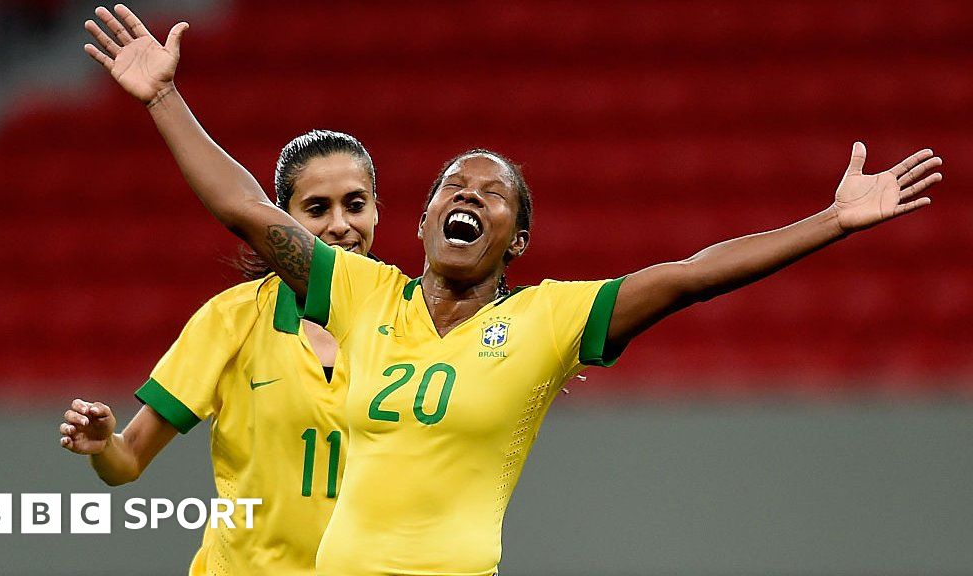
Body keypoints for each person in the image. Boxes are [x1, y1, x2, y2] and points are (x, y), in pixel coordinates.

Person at [81, 5, 944, 576]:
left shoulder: (548, 320)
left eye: (492, 193)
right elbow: (245, 207)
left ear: (517, 239)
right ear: (417, 225)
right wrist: (163, 96)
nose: (468, 196)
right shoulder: (362, 295)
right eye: (451, 187)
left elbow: (688, 276)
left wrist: (828, 223)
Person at [58, 124, 380, 574]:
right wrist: (102, 445)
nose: (340, 225)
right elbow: (127, 461)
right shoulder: (232, 319)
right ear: (282, 219)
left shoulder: (410, 321)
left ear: (376, 213)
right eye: (317, 208)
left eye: (356, 204)